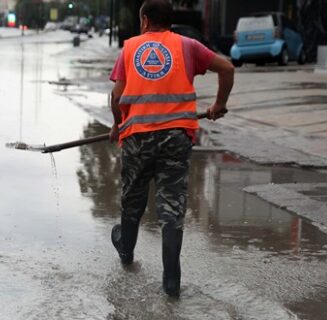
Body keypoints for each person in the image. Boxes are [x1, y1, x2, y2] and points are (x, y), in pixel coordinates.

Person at [108, 0, 234, 297]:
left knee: (133, 199)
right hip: (176, 137)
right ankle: (171, 279)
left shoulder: (130, 48)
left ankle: (126, 251)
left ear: (145, 20)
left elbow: (116, 97)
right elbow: (227, 68)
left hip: (138, 137)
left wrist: (117, 124)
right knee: (171, 206)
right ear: (170, 22)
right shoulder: (188, 46)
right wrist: (219, 105)